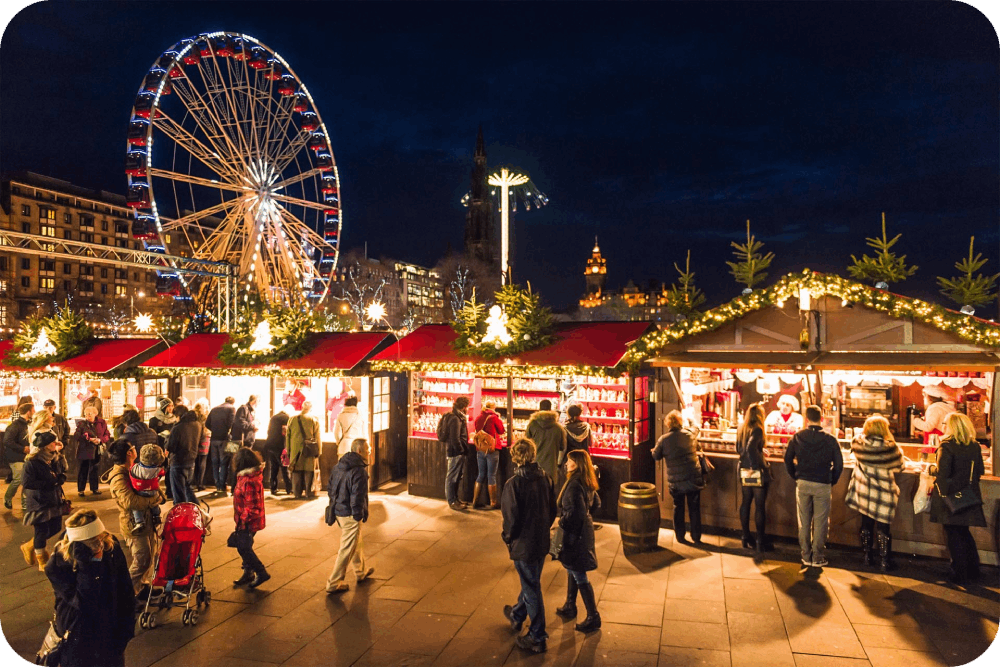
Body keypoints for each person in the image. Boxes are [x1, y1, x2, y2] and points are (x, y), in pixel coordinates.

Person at [44, 509, 135, 667]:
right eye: (92, 542)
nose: (98, 545)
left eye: (100, 538)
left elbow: (125, 591)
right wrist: (86, 566)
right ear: (77, 544)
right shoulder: (58, 565)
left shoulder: (110, 548)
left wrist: (126, 630)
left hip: (110, 634)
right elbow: (83, 602)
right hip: (77, 637)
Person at [501, 437, 557, 654]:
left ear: (515, 457)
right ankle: (516, 615)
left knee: (532, 587)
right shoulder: (546, 479)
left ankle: (537, 636)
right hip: (541, 540)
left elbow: (511, 519)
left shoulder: (514, 484)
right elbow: (553, 511)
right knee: (531, 580)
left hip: (523, 543)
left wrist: (508, 537)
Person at [784, 405, 844, 568]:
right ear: (822, 419)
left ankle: (805, 555)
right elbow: (839, 464)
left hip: (803, 482)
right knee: (821, 522)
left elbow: (787, 459)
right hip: (822, 483)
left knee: (804, 521)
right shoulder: (830, 439)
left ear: (806, 418)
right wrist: (832, 480)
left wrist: (795, 475)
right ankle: (817, 557)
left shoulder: (797, 437)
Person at [930, 412, 987, 585]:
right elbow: (979, 472)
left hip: (950, 497)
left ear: (953, 426)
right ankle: (973, 569)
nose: (943, 426)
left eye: (945, 423)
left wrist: (931, 469)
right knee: (964, 532)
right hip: (967, 495)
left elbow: (942, 474)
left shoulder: (946, 446)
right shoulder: (974, 446)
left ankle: (959, 572)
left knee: (953, 534)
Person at [103, 438, 165, 595]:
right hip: (134, 524)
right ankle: (126, 595)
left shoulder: (135, 469)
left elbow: (153, 486)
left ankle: (140, 587)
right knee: (141, 560)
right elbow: (130, 501)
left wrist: (159, 496)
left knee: (149, 557)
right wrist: (154, 500)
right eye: (134, 448)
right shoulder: (119, 476)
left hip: (146, 519)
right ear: (130, 453)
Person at [845, 415, 904, 571]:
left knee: (866, 524)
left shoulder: (858, 443)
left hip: (865, 491)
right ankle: (885, 561)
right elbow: (900, 466)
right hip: (884, 493)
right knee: (883, 528)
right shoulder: (890, 447)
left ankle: (867, 556)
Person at [554, 449, 601, 633]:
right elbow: (596, 504)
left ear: (577, 464)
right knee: (571, 567)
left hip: (576, 534)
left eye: (570, 461)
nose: (566, 464)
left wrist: (563, 523)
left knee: (578, 573)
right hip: (584, 530)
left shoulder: (574, 484)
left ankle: (593, 616)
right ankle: (570, 605)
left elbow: (576, 513)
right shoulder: (587, 480)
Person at [326, 438, 375, 593]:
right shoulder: (359, 471)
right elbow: (357, 496)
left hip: (338, 510)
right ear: (359, 451)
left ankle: (361, 571)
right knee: (347, 548)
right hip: (349, 513)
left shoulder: (339, 466)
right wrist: (358, 515)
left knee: (355, 541)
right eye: (367, 449)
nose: (369, 451)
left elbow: (330, 488)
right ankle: (334, 582)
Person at [652, 410, 705, 545]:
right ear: (680, 422)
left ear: (668, 424)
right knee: (694, 508)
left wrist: (653, 450)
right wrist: (689, 415)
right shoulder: (690, 434)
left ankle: (680, 536)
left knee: (678, 507)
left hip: (676, 482)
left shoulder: (663, 440)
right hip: (693, 477)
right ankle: (696, 536)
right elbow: (696, 426)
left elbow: (656, 456)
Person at [20, 431, 67, 570]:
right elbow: (27, 483)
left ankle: (30, 545)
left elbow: (63, 470)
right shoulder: (32, 462)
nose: (56, 444)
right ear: (46, 446)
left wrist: (60, 476)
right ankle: (42, 561)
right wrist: (50, 484)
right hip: (39, 501)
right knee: (41, 530)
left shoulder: (53, 458)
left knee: (56, 527)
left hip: (54, 499)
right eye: (53, 442)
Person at [231, 447, 270, 588]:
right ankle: (248, 572)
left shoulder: (248, 480)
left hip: (247, 521)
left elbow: (252, 506)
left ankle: (261, 572)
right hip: (246, 519)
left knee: (243, 547)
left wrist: (243, 521)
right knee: (245, 545)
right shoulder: (248, 477)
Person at [737, 403, 769, 553]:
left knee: (746, 502)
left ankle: (745, 536)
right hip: (754, 471)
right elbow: (750, 448)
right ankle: (760, 541)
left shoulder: (741, 428)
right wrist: (758, 464)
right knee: (759, 506)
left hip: (743, 469)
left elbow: (740, 448)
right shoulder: (758, 429)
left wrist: (760, 450)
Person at [473, 399, 506, 509]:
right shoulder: (494, 417)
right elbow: (501, 430)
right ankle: (493, 502)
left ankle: (475, 501)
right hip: (492, 449)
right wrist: (499, 419)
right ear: (493, 407)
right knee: (491, 475)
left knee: (481, 474)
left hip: (480, 449)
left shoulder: (478, 417)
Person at [165, 404, 201, 504]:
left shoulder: (178, 428)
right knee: (188, 488)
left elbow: (171, 446)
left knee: (178, 493)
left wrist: (167, 441)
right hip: (191, 460)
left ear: (179, 415)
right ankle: (196, 510)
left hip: (178, 462)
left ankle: (181, 514)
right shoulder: (197, 424)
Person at [440, 396, 470, 510]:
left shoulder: (457, 417)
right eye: (466, 407)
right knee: (452, 477)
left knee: (456, 477)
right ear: (463, 407)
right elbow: (455, 438)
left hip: (456, 451)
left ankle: (456, 499)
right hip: (455, 452)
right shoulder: (455, 419)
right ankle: (452, 501)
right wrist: (461, 450)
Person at [525, 399, 567, 483]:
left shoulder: (532, 425)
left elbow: (526, 444)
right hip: (551, 469)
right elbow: (563, 447)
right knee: (549, 493)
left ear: (539, 409)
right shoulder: (558, 428)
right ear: (551, 409)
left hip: (534, 467)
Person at [287, 400, 322, 499]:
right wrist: (319, 450)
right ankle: (308, 492)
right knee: (308, 471)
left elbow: (288, 436)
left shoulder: (292, 419)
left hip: (295, 450)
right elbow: (317, 436)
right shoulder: (314, 420)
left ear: (302, 407)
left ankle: (297, 493)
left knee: (296, 471)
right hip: (309, 449)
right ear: (310, 408)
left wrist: (288, 449)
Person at [128, 444, 165, 534]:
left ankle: (139, 521)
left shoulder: (135, 467)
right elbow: (162, 475)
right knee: (155, 502)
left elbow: (131, 472)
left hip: (139, 491)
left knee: (136, 508)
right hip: (152, 491)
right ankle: (157, 516)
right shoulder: (158, 470)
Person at [4, 402, 34, 510]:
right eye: (33, 410)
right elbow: (7, 441)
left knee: (27, 479)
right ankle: (7, 498)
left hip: (26, 456)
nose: (34, 412)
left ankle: (25, 503)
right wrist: (22, 449)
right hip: (16, 457)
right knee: (18, 479)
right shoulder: (15, 425)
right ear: (28, 412)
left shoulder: (28, 424)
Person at [75, 405, 109, 497]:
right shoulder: (82, 424)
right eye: (86, 415)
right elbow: (76, 436)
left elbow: (107, 434)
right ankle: (81, 490)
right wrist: (87, 438)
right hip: (84, 449)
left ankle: (94, 488)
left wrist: (100, 440)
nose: (87, 417)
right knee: (83, 469)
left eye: (89, 414)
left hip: (96, 449)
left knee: (95, 469)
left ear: (95, 414)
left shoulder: (101, 422)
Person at [206, 397, 237, 496]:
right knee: (224, 463)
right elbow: (232, 424)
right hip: (224, 439)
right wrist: (225, 431)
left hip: (214, 439)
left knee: (215, 463)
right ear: (232, 402)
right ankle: (222, 485)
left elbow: (207, 424)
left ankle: (217, 485)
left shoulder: (214, 409)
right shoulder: (231, 408)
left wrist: (215, 430)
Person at [264, 408, 292, 495]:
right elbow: (286, 433)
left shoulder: (273, 418)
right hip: (280, 446)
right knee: (284, 467)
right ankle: (289, 488)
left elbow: (268, 431)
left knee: (274, 467)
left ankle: (273, 488)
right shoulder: (286, 418)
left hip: (270, 445)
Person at [192, 399, 212, 491]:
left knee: (195, 462)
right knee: (202, 462)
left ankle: (194, 482)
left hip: (194, 441)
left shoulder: (192, 419)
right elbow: (206, 430)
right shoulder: (204, 418)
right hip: (204, 441)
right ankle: (200, 483)